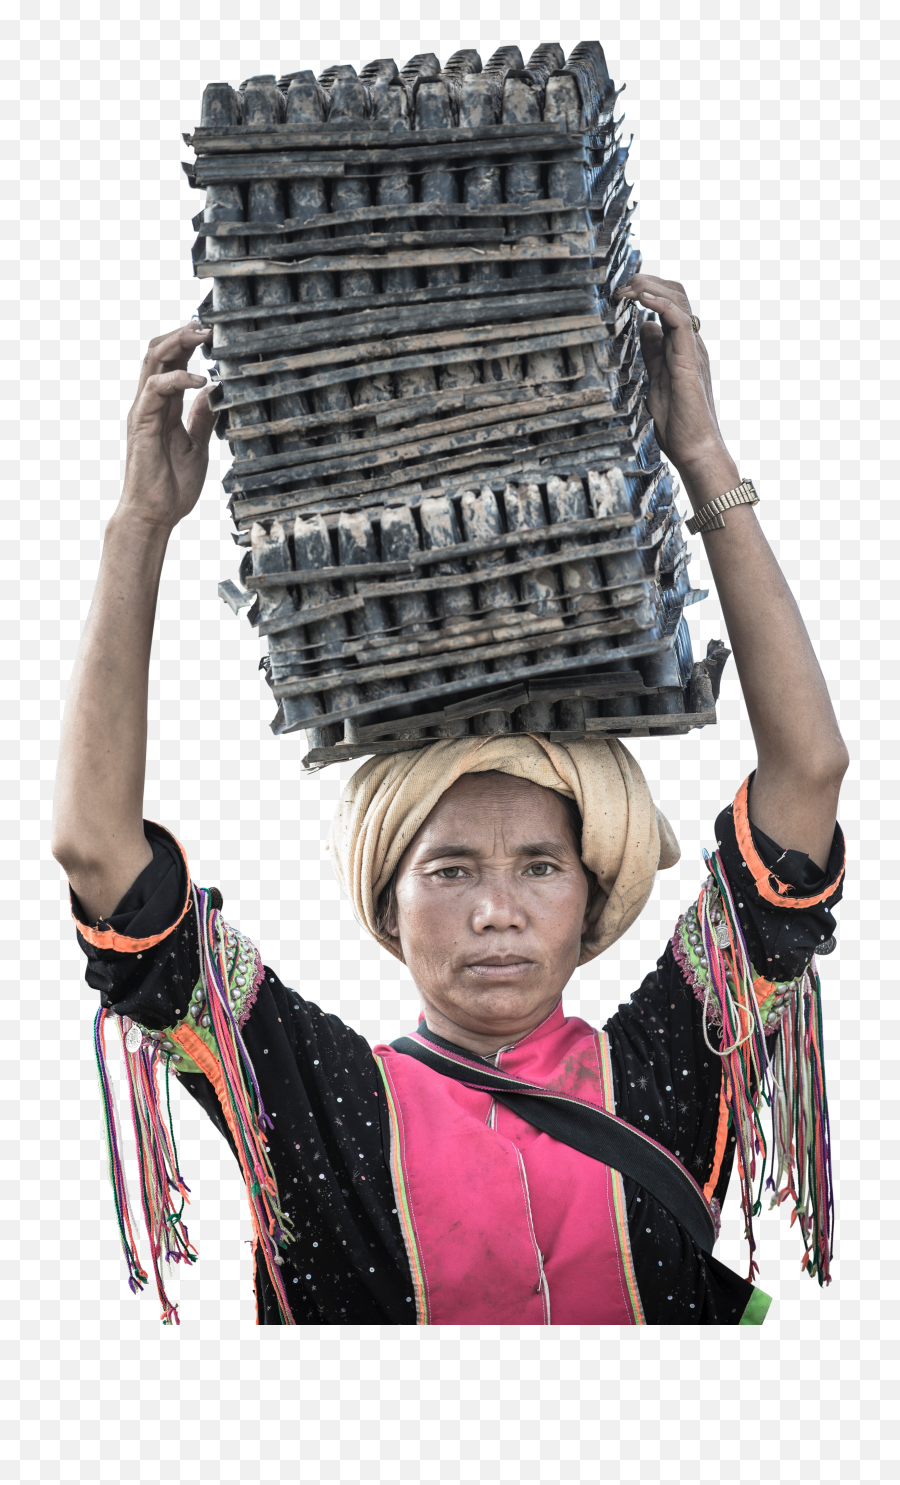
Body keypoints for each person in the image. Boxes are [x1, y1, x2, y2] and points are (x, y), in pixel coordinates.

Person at [52, 276, 848, 1326]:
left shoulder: (674, 1068)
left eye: (539, 866)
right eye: (451, 869)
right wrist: (140, 524)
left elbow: (809, 778)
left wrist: (701, 458)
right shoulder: (318, 1101)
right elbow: (98, 849)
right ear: (387, 905)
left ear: (592, 895)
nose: (497, 910)